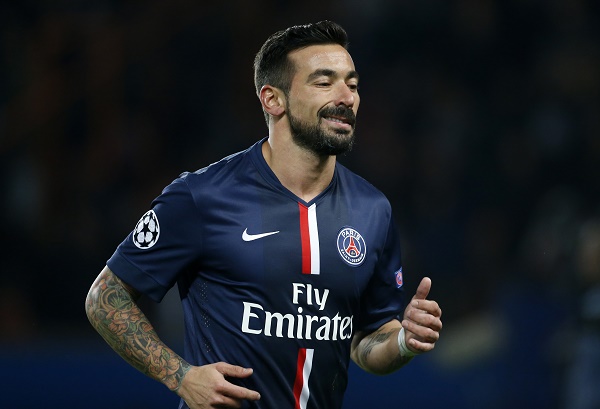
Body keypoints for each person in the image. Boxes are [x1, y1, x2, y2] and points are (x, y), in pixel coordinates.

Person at [85, 20, 442, 409]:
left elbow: (366, 341)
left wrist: (403, 341)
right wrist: (180, 376)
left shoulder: (373, 210)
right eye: (324, 82)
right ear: (273, 100)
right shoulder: (203, 196)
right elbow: (105, 297)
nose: (346, 97)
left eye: (352, 85)